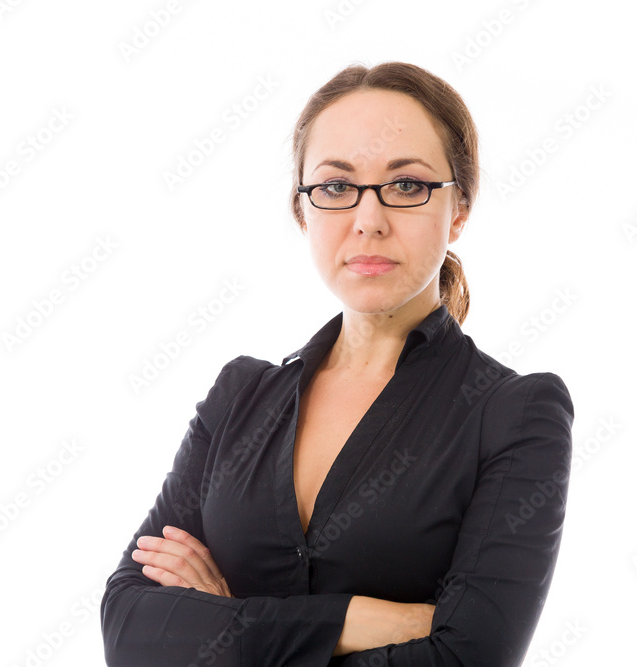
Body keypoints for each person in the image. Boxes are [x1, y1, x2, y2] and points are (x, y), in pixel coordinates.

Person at [100, 61, 574, 666]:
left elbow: (469, 658)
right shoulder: (239, 395)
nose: (368, 220)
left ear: (458, 209)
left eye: (407, 186)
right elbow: (128, 628)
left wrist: (224, 627)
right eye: (335, 187)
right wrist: (357, 619)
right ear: (303, 211)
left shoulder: (515, 413)